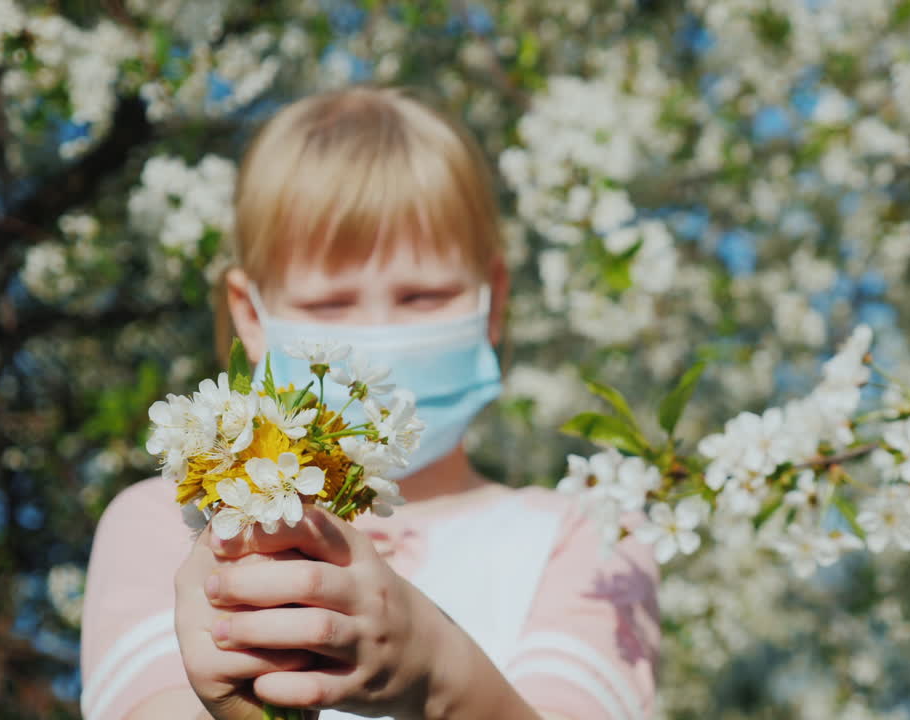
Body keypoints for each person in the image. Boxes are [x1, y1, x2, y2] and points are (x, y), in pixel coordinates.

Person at [79, 86, 660, 720]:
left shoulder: (587, 536)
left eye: (423, 298)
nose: (379, 341)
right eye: (329, 306)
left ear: (492, 297)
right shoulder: (167, 525)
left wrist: (439, 675)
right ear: (250, 314)